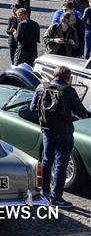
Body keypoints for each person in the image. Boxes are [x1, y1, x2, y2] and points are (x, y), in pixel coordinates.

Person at [31, 66, 91, 206]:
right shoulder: (69, 90)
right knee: (60, 164)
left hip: (46, 130)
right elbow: (81, 113)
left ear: (54, 75)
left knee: (46, 161)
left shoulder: (41, 87)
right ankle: (56, 197)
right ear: (67, 78)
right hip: (64, 132)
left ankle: (44, 192)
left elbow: (32, 108)